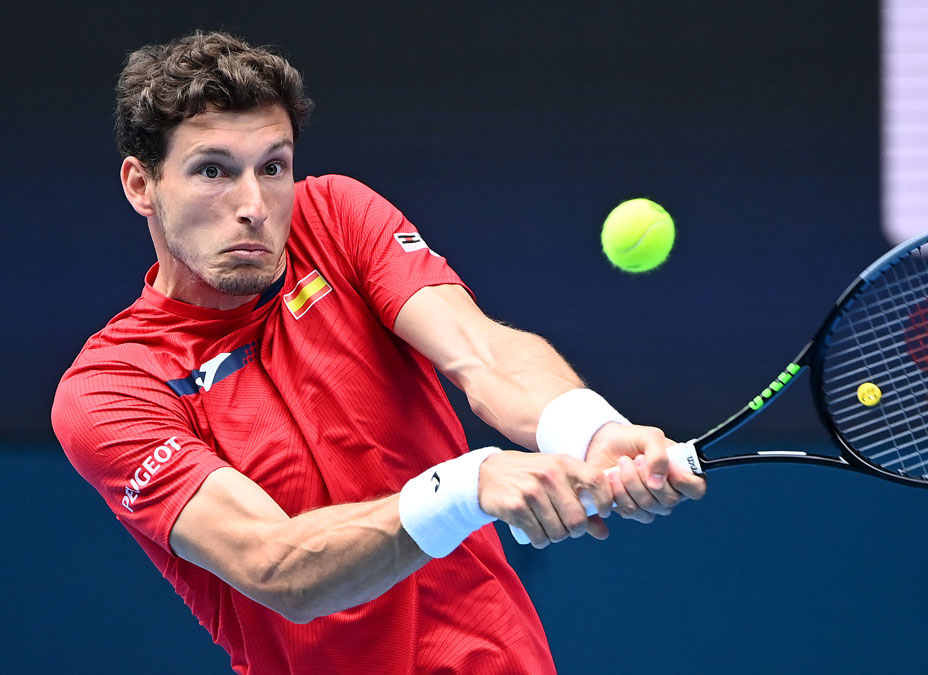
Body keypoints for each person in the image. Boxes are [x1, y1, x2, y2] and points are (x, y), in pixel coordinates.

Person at [51, 30, 705, 674]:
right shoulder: (111, 387)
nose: (253, 205)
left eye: (273, 166)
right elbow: (275, 563)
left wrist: (589, 428)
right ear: (141, 185)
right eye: (213, 170)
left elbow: (480, 351)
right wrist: (468, 485)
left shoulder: (335, 216)